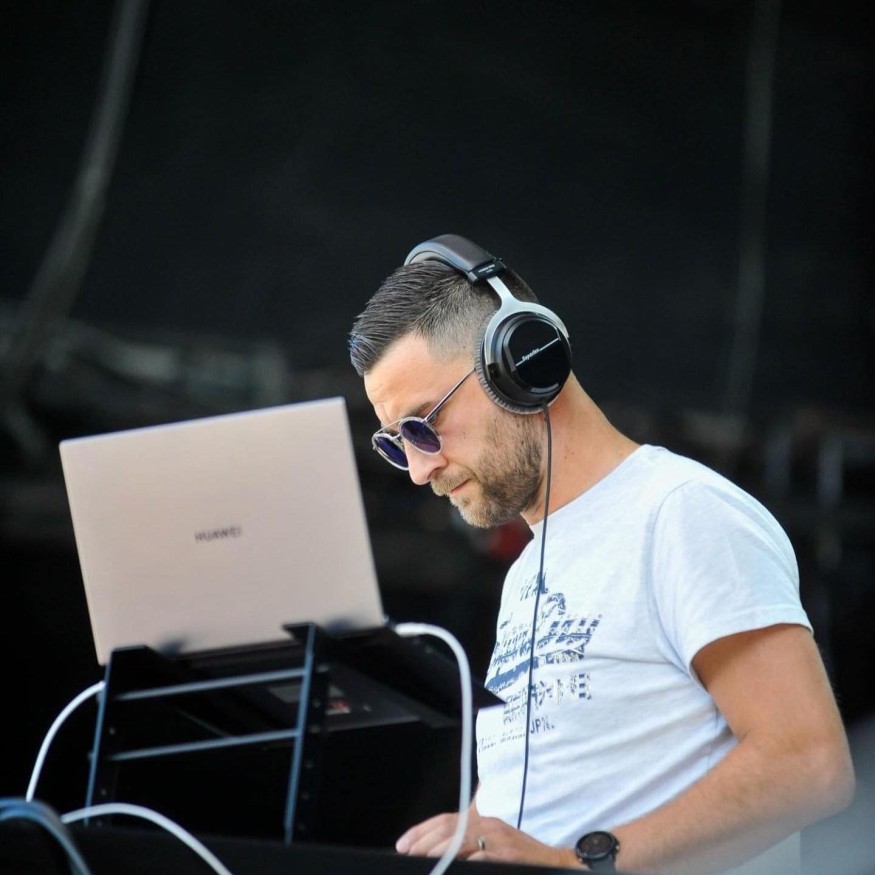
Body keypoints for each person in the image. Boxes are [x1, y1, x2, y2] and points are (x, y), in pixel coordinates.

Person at [348, 234, 855, 873]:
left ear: (521, 364)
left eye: (424, 424)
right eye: (396, 444)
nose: (420, 470)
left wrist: (578, 863)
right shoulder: (527, 575)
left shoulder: (681, 513)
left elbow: (809, 764)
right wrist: (473, 833)